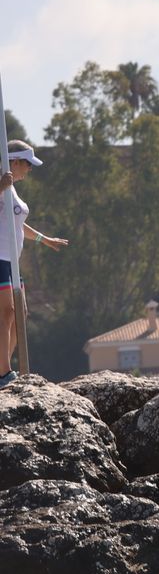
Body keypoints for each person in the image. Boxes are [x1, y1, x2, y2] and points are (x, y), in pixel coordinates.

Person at [1, 142, 69, 389]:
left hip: (12, 261)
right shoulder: (3, 184)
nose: (29, 170)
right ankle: (4, 373)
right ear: (15, 161)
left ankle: (2, 368)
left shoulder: (12, 190)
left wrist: (44, 239)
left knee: (20, 315)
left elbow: (16, 224)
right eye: (28, 164)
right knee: (7, 313)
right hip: (0, 258)